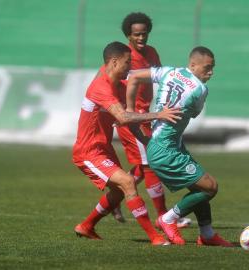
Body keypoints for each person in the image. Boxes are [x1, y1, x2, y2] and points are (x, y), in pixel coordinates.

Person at [72, 41, 182, 246]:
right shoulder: (100, 87)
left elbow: (129, 120)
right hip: (88, 152)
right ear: (113, 62)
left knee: (118, 191)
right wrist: (159, 114)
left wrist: (148, 143)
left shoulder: (120, 88)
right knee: (129, 182)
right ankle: (155, 237)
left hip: (104, 149)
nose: (130, 67)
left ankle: (86, 226)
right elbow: (123, 117)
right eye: (126, 62)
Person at [125, 46, 234, 246]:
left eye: (213, 68)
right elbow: (193, 113)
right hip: (166, 150)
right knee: (210, 187)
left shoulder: (169, 71)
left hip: (163, 145)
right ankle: (168, 219)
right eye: (207, 68)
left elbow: (133, 77)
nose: (211, 72)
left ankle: (207, 235)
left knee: (200, 187)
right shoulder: (200, 89)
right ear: (193, 65)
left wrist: (130, 110)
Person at [111, 12, 191, 229]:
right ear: (128, 35)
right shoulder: (125, 58)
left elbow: (162, 79)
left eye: (144, 34)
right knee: (151, 165)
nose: (141, 38)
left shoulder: (152, 52)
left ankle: (113, 200)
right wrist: (123, 112)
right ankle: (164, 217)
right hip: (131, 118)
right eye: (136, 34)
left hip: (146, 114)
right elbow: (116, 85)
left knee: (142, 165)